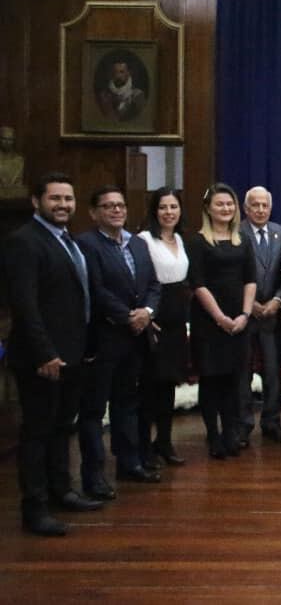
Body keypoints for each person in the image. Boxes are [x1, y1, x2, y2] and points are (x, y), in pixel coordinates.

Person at [4, 172, 102, 536]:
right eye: (55, 199)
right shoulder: (24, 242)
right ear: (36, 202)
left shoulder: (67, 240)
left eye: (68, 199)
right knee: (37, 434)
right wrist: (44, 352)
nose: (63, 205)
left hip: (72, 354)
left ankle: (62, 491)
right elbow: (25, 305)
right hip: (41, 359)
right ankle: (35, 509)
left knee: (63, 429)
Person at [75, 186, 162, 494]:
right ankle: (94, 476)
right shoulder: (85, 244)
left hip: (136, 339)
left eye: (120, 205)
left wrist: (148, 312)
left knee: (127, 403)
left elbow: (153, 284)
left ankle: (130, 463)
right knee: (94, 410)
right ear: (94, 212)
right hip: (104, 338)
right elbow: (95, 290)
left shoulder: (137, 243)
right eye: (108, 206)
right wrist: (129, 316)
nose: (116, 211)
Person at [188, 183, 257, 459]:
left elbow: (250, 280)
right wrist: (219, 318)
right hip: (209, 320)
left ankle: (231, 432)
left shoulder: (243, 239)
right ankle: (213, 435)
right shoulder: (197, 242)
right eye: (220, 204)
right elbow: (198, 283)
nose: (226, 209)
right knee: (211, 380)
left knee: (233, 379)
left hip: (239, 319)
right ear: (208, 208)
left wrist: (244, 315)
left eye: (230, 204)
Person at [136, 187, 192, 465]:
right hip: (154, 321)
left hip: (177, 321)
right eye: (163, 207)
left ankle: (165, 442)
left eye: (173, 207)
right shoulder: (143, 240)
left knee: (169, 384)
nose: (168, 212)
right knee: (149, 386)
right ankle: (143, 446)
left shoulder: (182, 239)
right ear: (153, 211)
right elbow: (139, 281)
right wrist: (149, 316)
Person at [237, 186, 281, 444]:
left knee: (273, 372)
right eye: (255, 205)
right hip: (243, 316)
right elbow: (229, 276)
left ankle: (272, 422)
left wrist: (278, 299)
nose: (260, 210)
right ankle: (243, 425)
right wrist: (250, 304)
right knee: (242, 372)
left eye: (265, 205)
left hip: (272, 315)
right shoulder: (234, 234)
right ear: (246, 208)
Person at [96, 57, 147, 122]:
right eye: (115, 72)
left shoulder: (138, 95)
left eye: (121, 72)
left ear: (128, 73)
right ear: (111, 74)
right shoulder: (104, 95)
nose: (118, 76)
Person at [0, 124, 26, 198]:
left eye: (10, 139)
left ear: (13, 141)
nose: (7, 142)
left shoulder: (19, 160)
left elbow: (19, 181)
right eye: (4, 139)